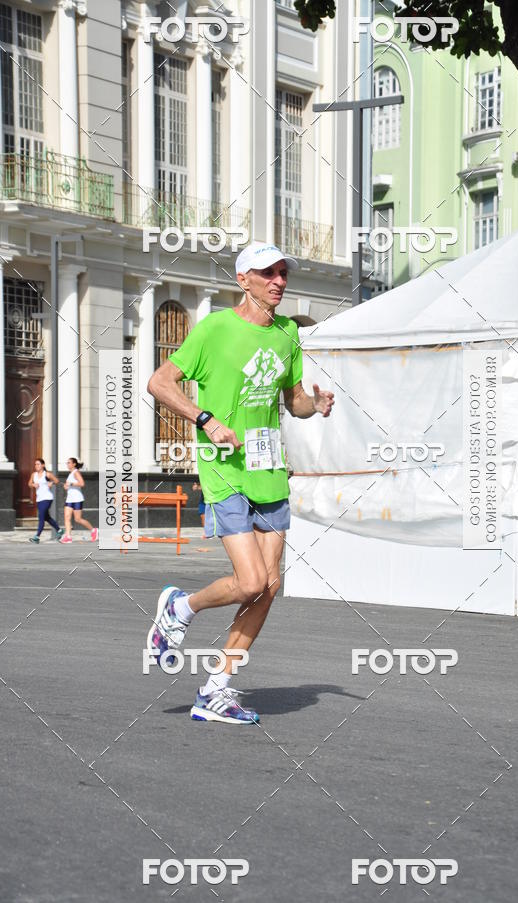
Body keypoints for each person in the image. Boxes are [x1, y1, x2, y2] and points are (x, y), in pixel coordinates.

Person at [146, 241, 334, 725]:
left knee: (268, 588)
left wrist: (317, 405)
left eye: (282, 272)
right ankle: (180, 607)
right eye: (267, 273)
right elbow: (160, 382)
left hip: (269, 470)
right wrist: (205, 419)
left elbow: (293, 401)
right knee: (249, 580)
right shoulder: (214, 330)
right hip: (224, 468)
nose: (279, 281)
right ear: (242, 280)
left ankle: (215, 690)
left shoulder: (289, 333)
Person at [60, 457, 98, 544]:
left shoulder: (76, 472)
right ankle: (68, 537)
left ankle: (93, 530)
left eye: (69, 463)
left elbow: (82, 483)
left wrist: (71, 484)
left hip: (77, 499)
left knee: (78, 519)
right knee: (67, 517)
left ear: (74, 464)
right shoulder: (70, 474)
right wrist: (66, 486)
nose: (67, 464)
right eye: (67, 463)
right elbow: (70, 485)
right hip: (70, 499)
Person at [27, 458, 64, 543]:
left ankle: (37, 537)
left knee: (41, 517)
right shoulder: (34, 475)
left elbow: (57, 481)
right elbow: (29, 483)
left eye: (38, 464)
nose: (36, 466)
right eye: (35, 464)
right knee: (46, 517)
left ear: (43, 465)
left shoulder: (47, 474)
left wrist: (52, 483)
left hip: (47, 498)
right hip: (39, 499)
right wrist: (33, 484)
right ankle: (59, 530)